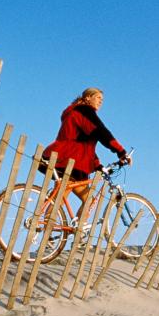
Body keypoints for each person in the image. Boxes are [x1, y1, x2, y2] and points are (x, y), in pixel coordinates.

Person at [41, 87, 132, 219]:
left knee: (88, 199)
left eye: (102, 99)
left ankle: (79, 233)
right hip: (68, 160)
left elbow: (84, 145)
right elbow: (102, 132)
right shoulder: (84, 111)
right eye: (98, 97)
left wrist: (97, 165)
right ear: (87, 98)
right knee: (61, 195)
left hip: (70, 157)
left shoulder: (77, 113)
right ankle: (46, 230)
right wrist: (121, 152)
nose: (101, 101)